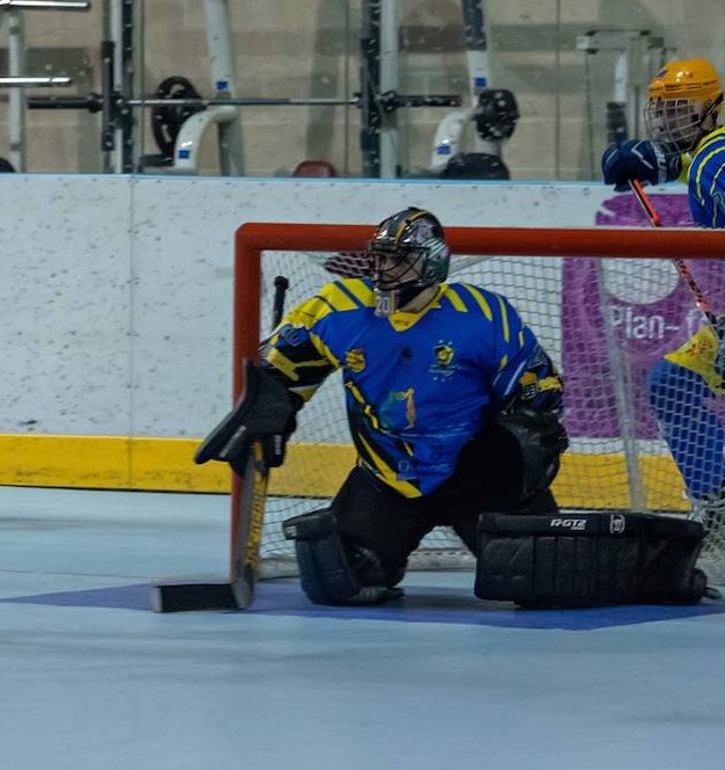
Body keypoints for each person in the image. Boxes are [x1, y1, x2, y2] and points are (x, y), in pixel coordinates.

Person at [197, 208, 569, 605]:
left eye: (397, 259)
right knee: (342, 577)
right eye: (379, 257)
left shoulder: (483, 314)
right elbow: (280, 366)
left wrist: (527, 440)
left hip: (477, 475)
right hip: (386, 476)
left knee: (543, 577)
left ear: (432, 261)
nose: (382, 269)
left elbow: (536, 388)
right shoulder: (339, 307)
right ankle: (383, 554)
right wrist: (270, 406)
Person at [602, 58, 725, 524]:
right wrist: (662, 163)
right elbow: (696, 163)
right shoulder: (709, 154)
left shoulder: (716, 158)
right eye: (663, 111)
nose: (670, 121)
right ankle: (719, 507)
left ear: (713, 109)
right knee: (674, 382)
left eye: (682, 110)